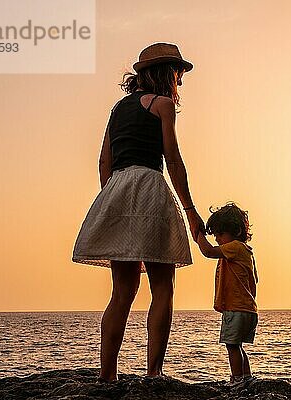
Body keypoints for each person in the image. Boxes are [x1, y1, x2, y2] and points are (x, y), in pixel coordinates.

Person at [71, 43, 205, 382]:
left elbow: (104, 161)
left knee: (122, 291)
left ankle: (107, 374)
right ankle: (154, 372)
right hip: (149, 187)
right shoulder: (163, 105)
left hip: (116, 189)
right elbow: (172, 159)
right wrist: (190, 210)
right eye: (177, 73)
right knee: (163, 287)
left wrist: (112, 201)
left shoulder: (118, 108)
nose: (180, 81)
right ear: (165, 74)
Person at [195, 202, 259, 386]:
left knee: (232, 346)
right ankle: (246, 377)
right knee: (238, 346)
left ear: (236, 231)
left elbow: (208, 252)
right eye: (215, 235)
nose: (217, 240)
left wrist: (199, 235)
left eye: (220, 234)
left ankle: (237, 379)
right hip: (249, 309)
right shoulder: (247, 253)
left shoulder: (235, 247)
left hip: (236, 308)